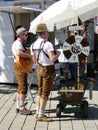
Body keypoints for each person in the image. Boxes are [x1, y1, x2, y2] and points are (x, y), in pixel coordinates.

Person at [30, 23, 61, 121]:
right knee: (45, 92)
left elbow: (34, 61)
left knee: (39, 90)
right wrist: (59, 54)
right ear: (44, 33)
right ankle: (41, 115)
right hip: (48, 69)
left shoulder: (33, 45)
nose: (48, 33)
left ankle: (37, 111)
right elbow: (52, 59)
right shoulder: (48, 44)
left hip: (39, 68)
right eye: (47, 31)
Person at [12, 27, 32, 115]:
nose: (27, 36)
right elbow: (19, 53)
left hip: (19, 66)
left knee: (20, 88)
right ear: (20, 35)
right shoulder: (18, 43)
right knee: (23, 88)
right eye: (25, 35)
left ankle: (18, 106)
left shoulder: (18, 43)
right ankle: (22, 108)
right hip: (19, 67)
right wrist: (29, 56)